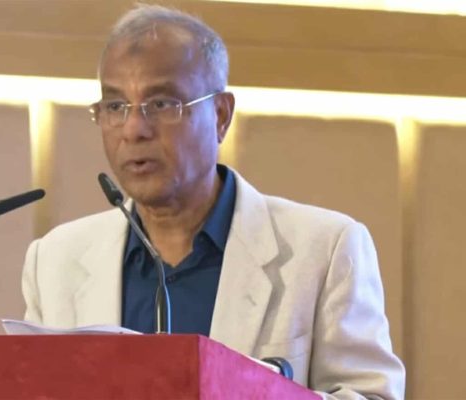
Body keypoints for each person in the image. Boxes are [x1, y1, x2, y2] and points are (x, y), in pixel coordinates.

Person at [21, 4, 405, 398]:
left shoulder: (324, 249)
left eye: (162, 104)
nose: (134, 129)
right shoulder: (54, 261)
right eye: (116, 106)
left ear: (221, 115)